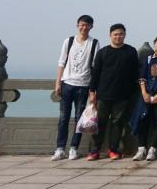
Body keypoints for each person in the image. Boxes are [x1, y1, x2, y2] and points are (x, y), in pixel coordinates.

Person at [86, 23, 138, 161]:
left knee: (117, 123)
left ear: (125, 35)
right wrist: (92, 92)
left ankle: (113, 149)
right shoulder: (103, 52)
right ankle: (94, 150)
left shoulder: (131, 51)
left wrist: (132, 93)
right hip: (103, 94)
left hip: (122, 95)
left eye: (121, 34)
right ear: (110, 36)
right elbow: (95, 74)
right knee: (100, 123)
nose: (118, 37)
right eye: (115, 34)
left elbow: (135, 73)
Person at [52, 14, 97, 161]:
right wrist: (58, 83)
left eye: (87, 25)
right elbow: (61, 62)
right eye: (82, 24)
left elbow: (95, 67)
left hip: (83, 85)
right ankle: (60, 149)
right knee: (63, 117)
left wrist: (93, 90)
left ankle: (73, 148)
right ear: (77, 25)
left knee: (79, 118)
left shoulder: (94, 43)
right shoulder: (69, 41)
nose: (84, 27)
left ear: (91, 26)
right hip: (67, 83)